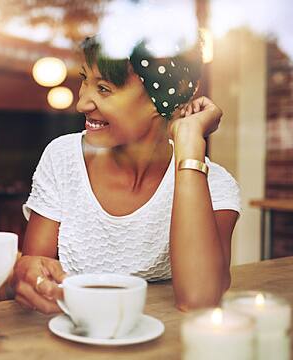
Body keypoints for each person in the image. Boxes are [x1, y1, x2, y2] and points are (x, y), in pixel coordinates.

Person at [13, 34, 241, 313]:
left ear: (161, 101)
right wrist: (25, 274)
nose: (82, 103)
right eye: (85, 80)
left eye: (104, 89)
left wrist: (190, 144)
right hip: (73, 337)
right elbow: (36, 277)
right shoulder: (63, 158)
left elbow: (198, 301)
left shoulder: (213, 184)